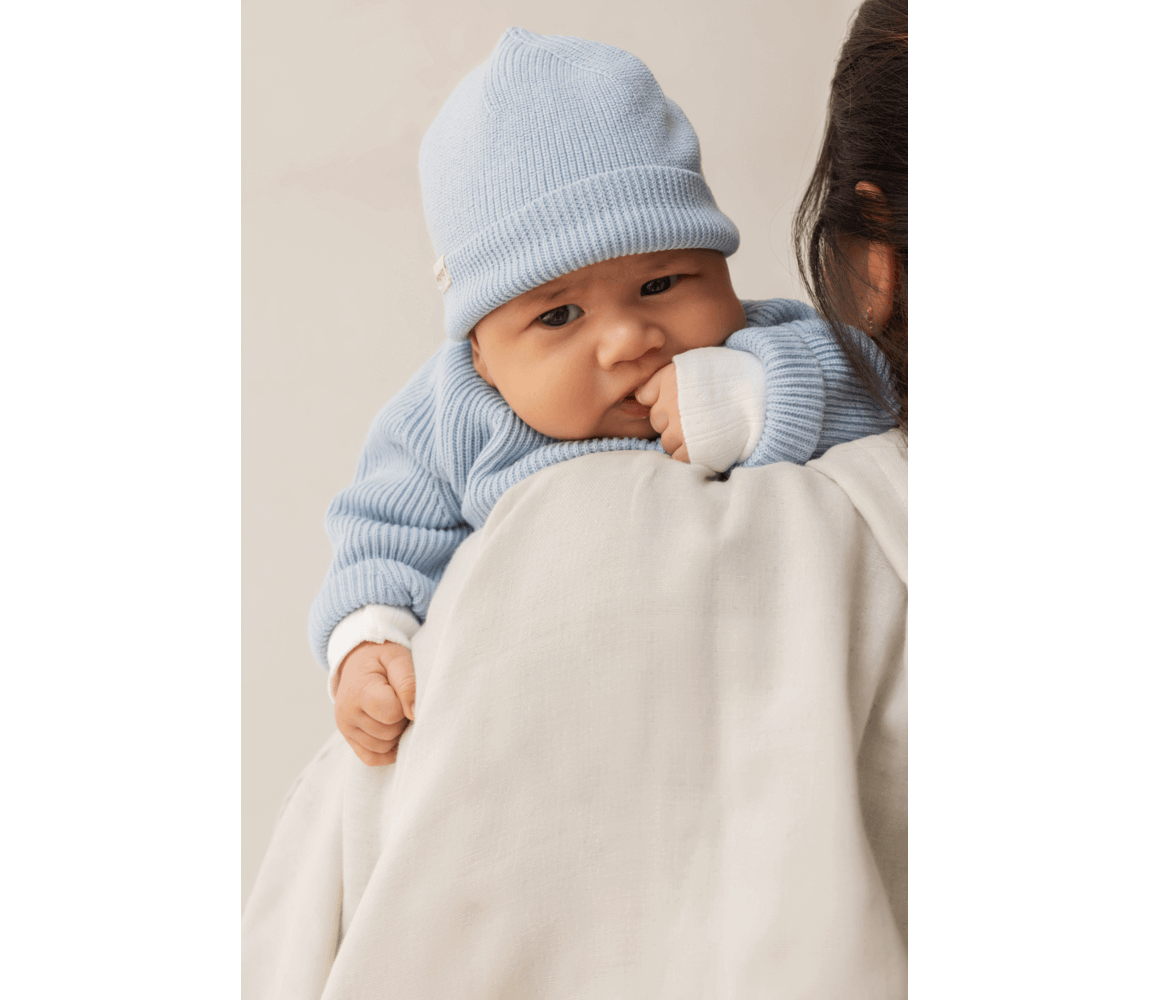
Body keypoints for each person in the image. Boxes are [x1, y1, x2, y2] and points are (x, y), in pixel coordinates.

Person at [309, 27, 895, 766]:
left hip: (747, 713)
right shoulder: (453, 413)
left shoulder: (765, 344)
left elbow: (874, 380)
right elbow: (381, 527)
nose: (628, 339)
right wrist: (369, 639)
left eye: (661, 284)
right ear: (481, 356)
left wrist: (754, 395)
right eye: (558, 316)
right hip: (559, 733)